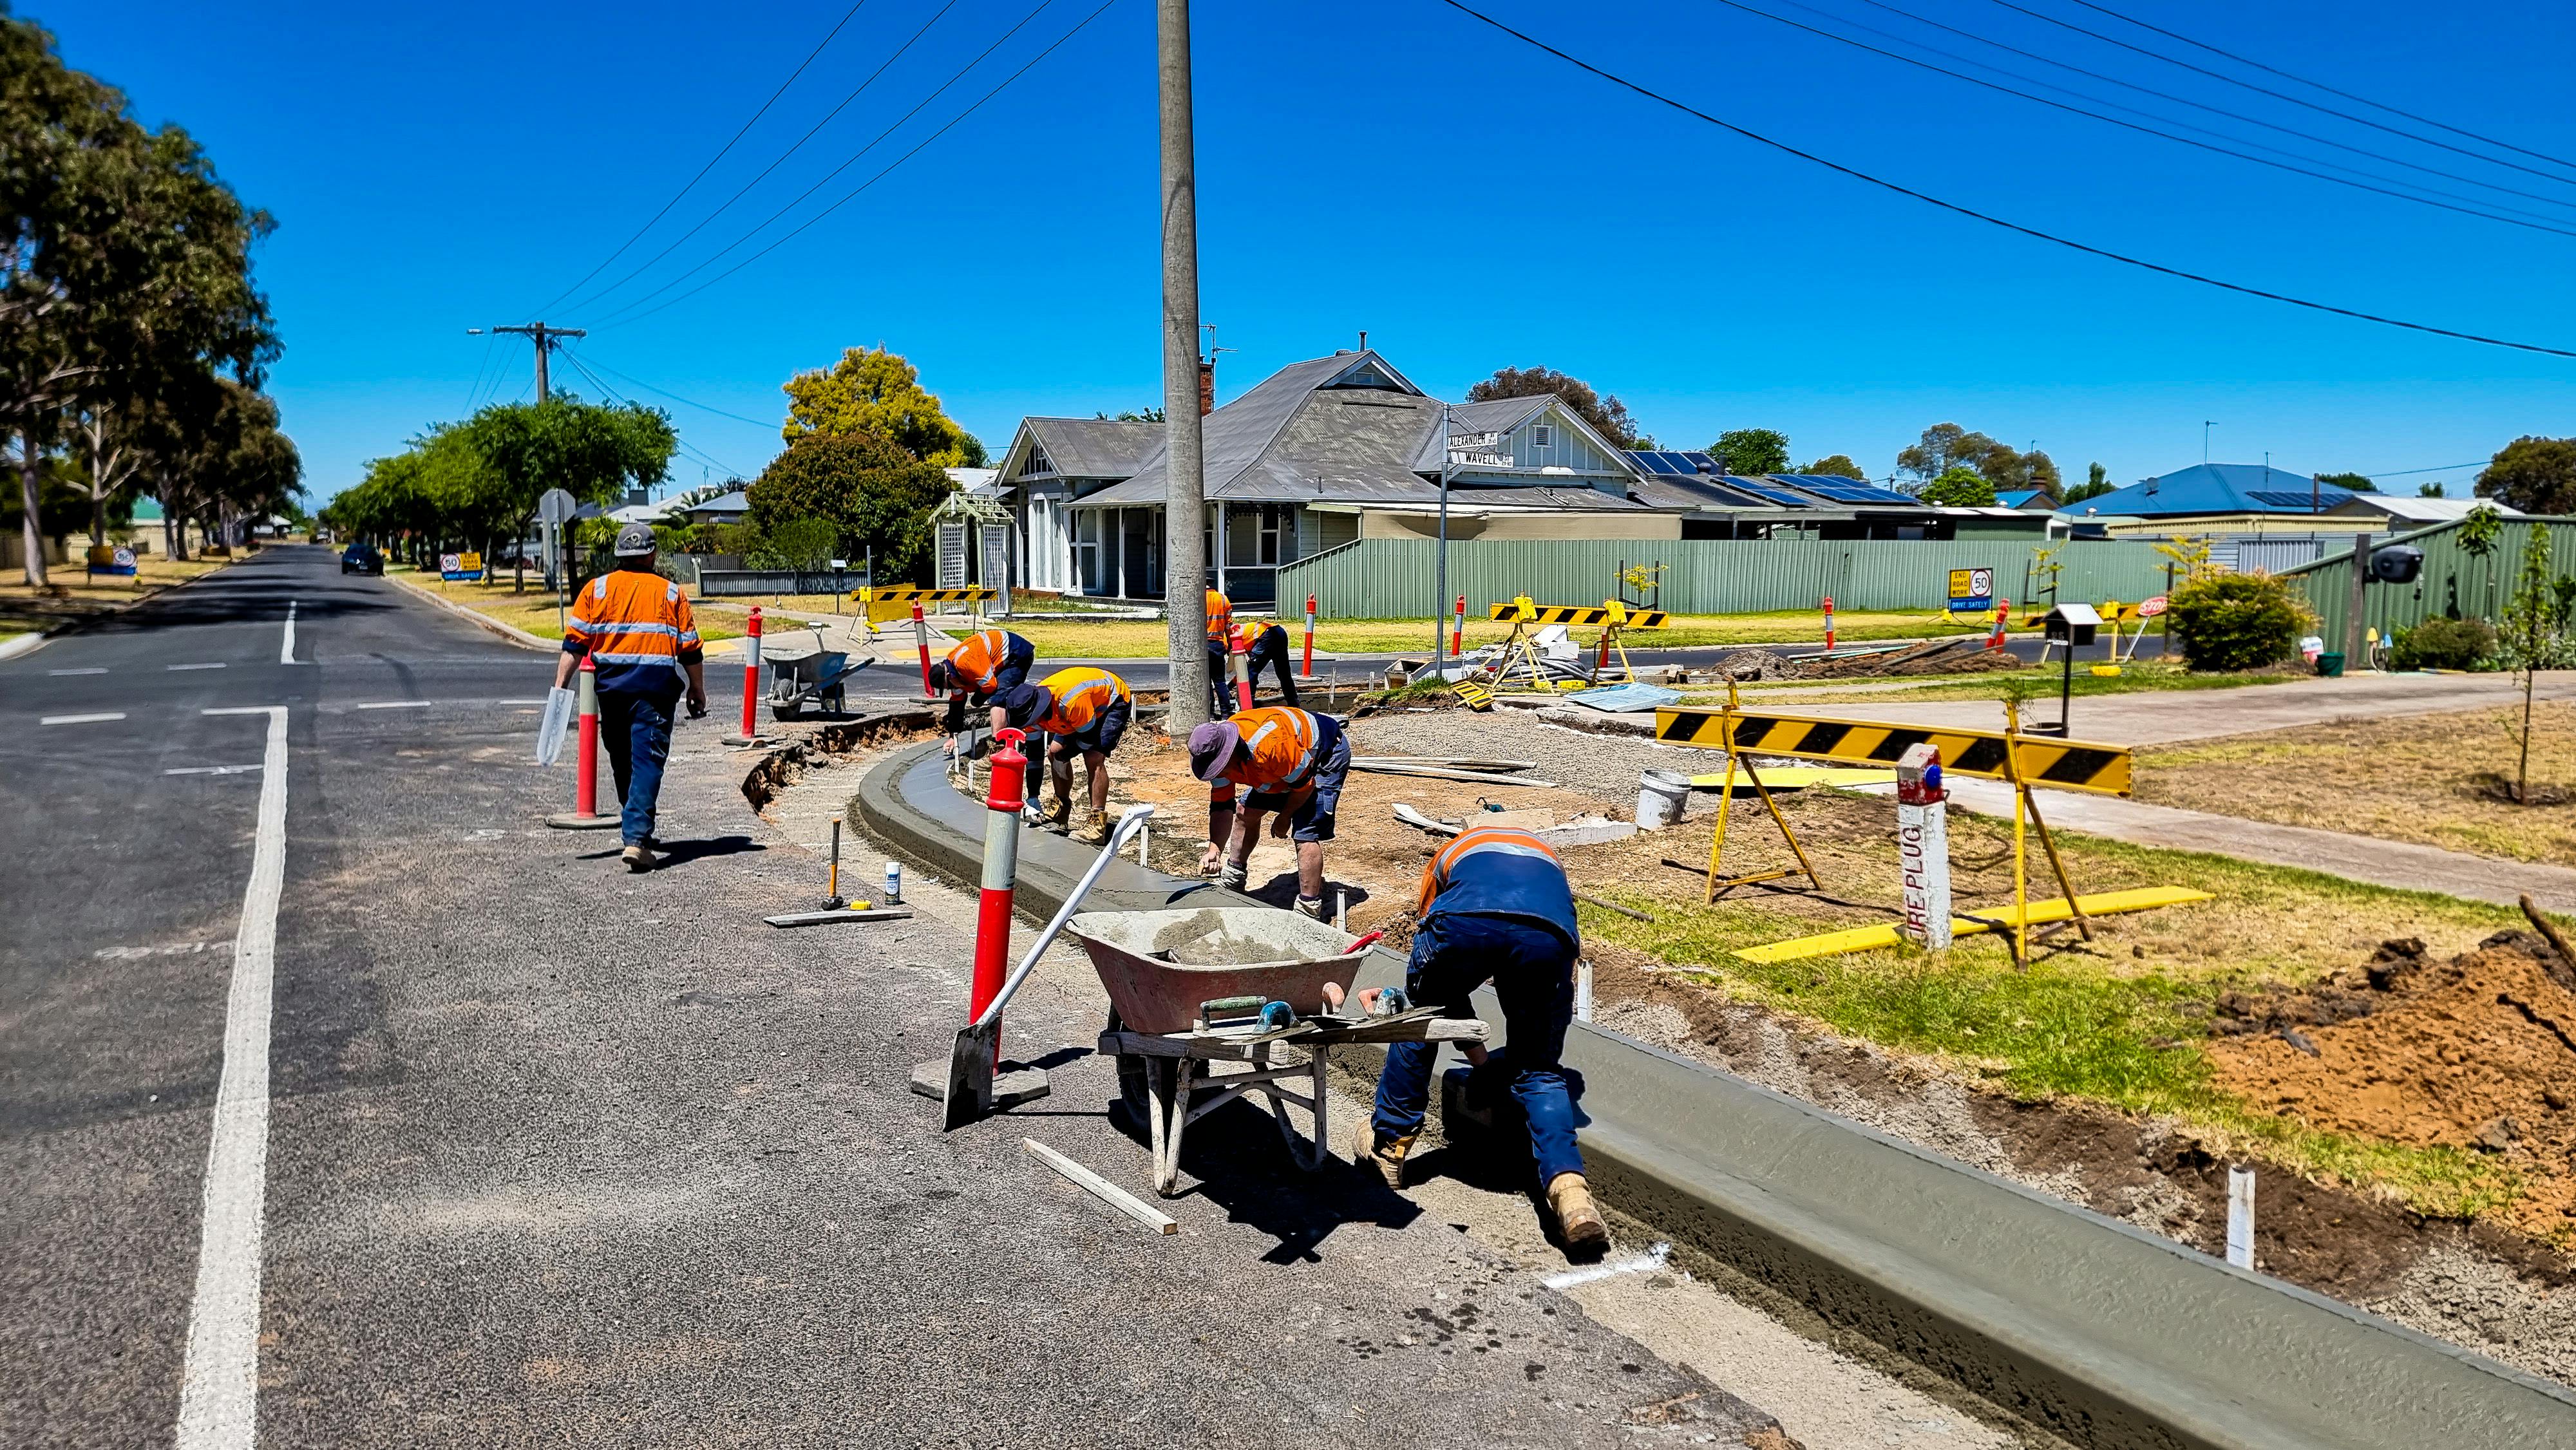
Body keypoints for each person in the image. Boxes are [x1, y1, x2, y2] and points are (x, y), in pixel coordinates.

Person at [1358, 825, 1605, 1248]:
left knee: (1421, 1020)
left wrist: (1477, 1060)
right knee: (1540, 1071)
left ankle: (1390, 1147)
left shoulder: (1451, 853)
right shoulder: (1545, 855)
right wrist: (1487, 1067)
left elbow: (1441, 987)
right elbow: (1545, 921)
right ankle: (1571, 1195)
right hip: (1548, 934)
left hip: (1466, 922)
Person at [554, 523, 708, 871]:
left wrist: (560, 687)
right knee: (647, 762)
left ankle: (635, 830)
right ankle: (637, 838)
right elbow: (690, 649)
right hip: (654, 694)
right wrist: (697, 689)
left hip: (611, 692)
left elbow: (574, 646)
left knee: (623, 761)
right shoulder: (672, 594)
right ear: (652, 554)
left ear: (619, 555)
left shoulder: (596, 589)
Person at [1186, 705, 1349, 919]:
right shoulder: (1211, 755)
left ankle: (1308, 909)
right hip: (1278, 768)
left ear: (1230, 754)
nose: (1220, 774)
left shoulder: (1271, 747)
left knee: (1305, 831)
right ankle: (1234, 878)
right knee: (1245, 812)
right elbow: (1223, 805)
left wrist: (1285, 816)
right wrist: (1214, 849)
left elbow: (1304, 786)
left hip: (1323, 756)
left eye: (1220, 768)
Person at [994, 666, 1133, 840]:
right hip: (1079, 712)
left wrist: (1066, 754)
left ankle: (1097, 825)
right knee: (1054, 753)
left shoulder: (1071, 703)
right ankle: (1061, 809)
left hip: (1112, 701)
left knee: (1093, 756)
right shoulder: (1029, 711)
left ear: (1039, 712)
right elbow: (1035, 755)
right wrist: (1033, 796)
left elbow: (1086, 739)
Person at [926, 626, 1036, 735]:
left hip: (1016, 653)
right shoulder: (954, 671)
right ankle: (1008, 735)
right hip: (1001, 658)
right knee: (998, 697)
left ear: (949, 676)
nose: (951, 688)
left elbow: (990, 685)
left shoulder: (965, 663)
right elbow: (956, 706)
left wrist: (977, 699)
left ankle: (999, 743)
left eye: (949, 686)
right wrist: (953, 735)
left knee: (998, 699)